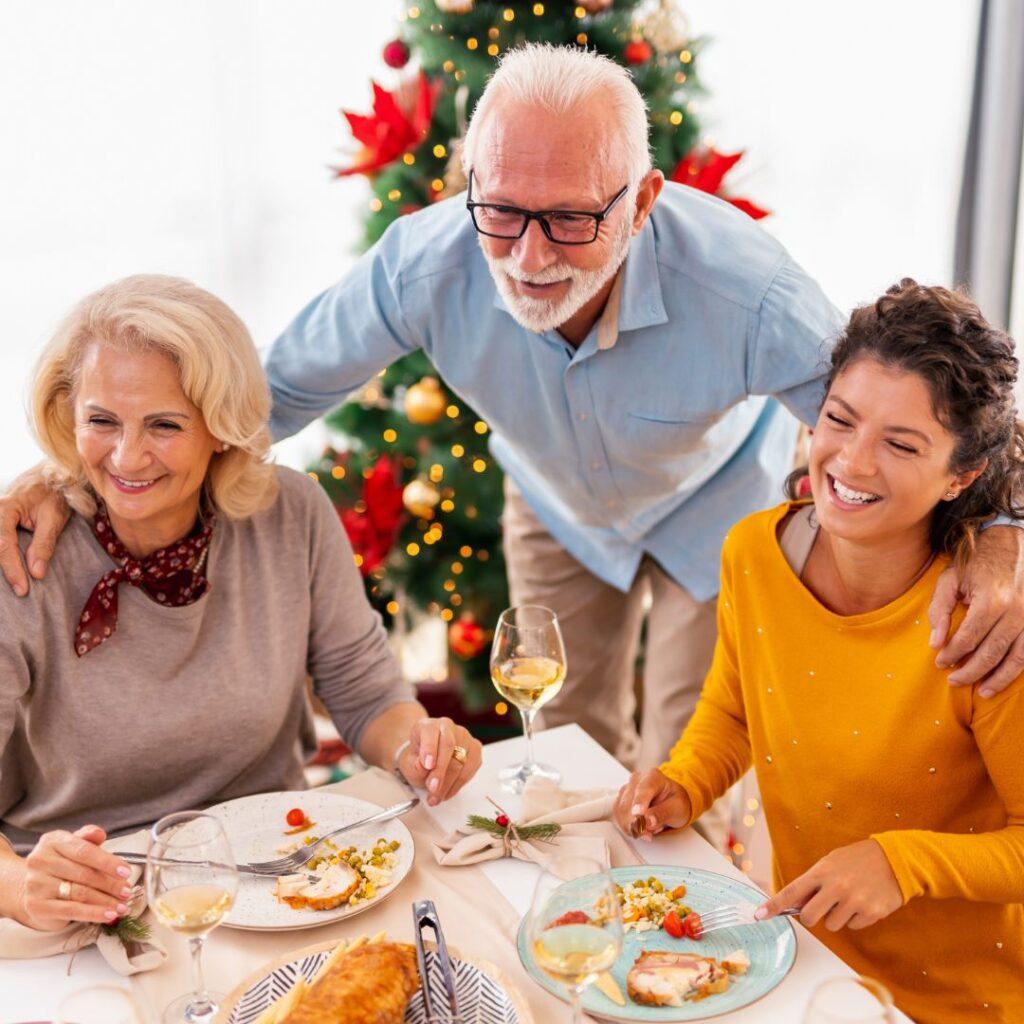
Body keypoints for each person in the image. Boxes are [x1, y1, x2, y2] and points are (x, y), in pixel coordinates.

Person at [2, 47, 1023, 785]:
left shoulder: (749, 295)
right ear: (468, 183)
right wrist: (75, 474)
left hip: (710, 504)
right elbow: (256, 394)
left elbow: (895, 428)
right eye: (502, 213)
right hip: (554, 503)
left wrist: (999, 533)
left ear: (644, 198)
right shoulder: (425, 260)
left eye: (574, 219)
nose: (531, 257)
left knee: (690, 762)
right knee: (560, 750)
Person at [0, 274, 481, 935]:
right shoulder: (19, 558)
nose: (127, 455)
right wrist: (20, 884)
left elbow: (365, 691)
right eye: (101, 421)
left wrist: (415, 748)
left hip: (280, 877)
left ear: (221, 428)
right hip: (83, 903)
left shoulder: (290, 513)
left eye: (164, 425)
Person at [613, 280, 1024, 1023]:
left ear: (961, 476)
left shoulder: (988, 626)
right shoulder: (753, 552)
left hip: (963, 1003)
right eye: (839, 420)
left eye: (902, 445)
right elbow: (735, 710)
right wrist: (686, 781)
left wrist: (905, 863)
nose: (853, 463)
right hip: (799, 966)